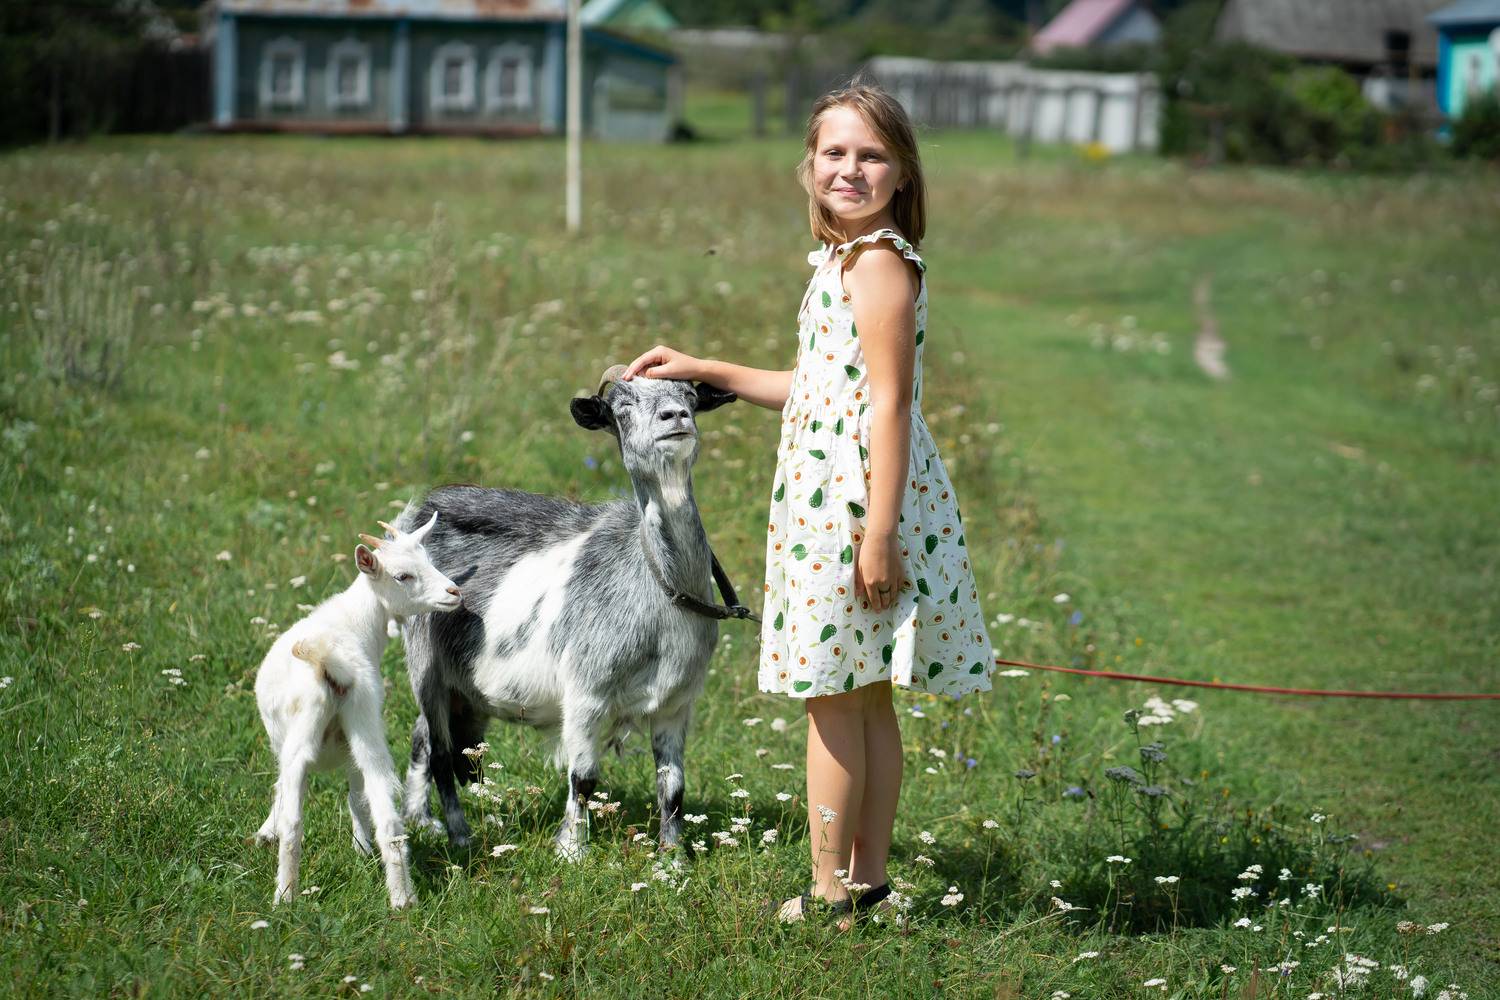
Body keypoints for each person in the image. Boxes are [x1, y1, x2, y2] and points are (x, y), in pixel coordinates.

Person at [620, 81, 993, 928]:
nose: (850, 170)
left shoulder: (880, 264)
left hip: (856, 507)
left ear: (903, 173)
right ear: (809, 166)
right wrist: (706, 368)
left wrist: (879, 534)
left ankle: (830, 892)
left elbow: (889, 404)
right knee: (862, 695)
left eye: (872, 156)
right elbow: (818, 387)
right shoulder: (843, 261)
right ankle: (867, 883)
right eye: (835, 153)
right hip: (839, 500)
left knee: (835, 697)